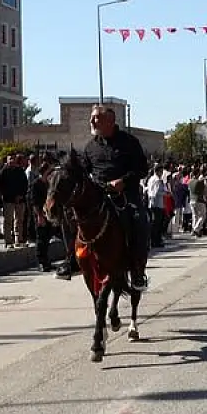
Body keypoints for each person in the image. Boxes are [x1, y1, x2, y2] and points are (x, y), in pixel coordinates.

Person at [81, 105, 153, 291]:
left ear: (110, 121)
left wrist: (123, 181)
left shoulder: (129, 142)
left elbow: (142, 169)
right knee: (74, 219)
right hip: (99, 198)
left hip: (126, 196)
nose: (92, 121)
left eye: (96, 118)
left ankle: (137, 269)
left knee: (140, 220)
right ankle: (70, 260)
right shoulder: (90, 147)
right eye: (92, 117)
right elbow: (84, 172)